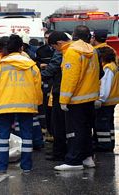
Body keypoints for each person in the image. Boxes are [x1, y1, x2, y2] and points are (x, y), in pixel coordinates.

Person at [0, 34, 42, 173]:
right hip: (26, 105)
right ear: (21, 48)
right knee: (27, 137)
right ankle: (26, 167)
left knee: (3, 137)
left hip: (4, 105)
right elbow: (37, 87)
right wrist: (38, 103)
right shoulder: (32, 66)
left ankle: (2, 166)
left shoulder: (0, 66)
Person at [54, 25, 100, 171]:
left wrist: (64, 100)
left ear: (73, 35)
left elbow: (70, 78)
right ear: (88, 37)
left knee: (75, 130)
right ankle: (87, 157)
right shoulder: (92, 50)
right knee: (86, 129)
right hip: (90, 97)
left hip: (76, 99)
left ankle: (74, 161)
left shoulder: (72, 51)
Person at [43, 31, 71, 161]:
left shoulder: (63, 51)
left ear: (59, 43)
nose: (54, 50)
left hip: (61, 93)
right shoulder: (82, 49)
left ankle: (59, 153)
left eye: (54, 47)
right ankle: (69, 152)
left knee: (58, 125)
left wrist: (36, 76)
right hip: (75, 95)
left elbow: (51, 69)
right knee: (71, 126)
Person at [93, 47, 119, 152]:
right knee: (109, 124)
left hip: (105, 102)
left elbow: (105, 85)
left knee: (102, 124)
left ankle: (104, 145)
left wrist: (100, 99)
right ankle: (110, 142)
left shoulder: (107, 68)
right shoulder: (114, 66)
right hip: (111, 101)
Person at [35, 30, 55, 139]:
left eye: (49, 37)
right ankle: (45, 129)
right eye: (46, 37)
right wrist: (40, 65)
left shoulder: (59, 51)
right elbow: (35, 63)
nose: (48, 40)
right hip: (44, 81)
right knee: (44, 107)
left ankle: (52, 131)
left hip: (54, 81)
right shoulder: (41, 51)